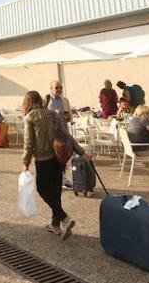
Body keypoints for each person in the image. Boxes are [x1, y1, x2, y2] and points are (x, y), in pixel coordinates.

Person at [21, 90, 90, 240]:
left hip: (43, 159)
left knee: (42, 189)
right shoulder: (54, 114)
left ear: (27, 102)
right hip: (58, 159)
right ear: (40, 100)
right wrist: (81, 152)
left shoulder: (29, 117)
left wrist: (25, 163)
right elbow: (67, 136)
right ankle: (55, 225)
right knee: (55, 191)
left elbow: (29, 143)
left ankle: (65, 218)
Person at [44, 80, 73, 189]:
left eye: (60, 88)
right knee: (52, 156)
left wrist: (68, 116)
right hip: (51, 133)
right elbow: (42, 115)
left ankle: (63, 178)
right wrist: (56, 113)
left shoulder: (65, 100)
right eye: (56, 88)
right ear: (51, 88)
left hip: (63, 132)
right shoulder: (46, 100)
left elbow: (70, 115)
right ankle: (53, 179)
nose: (59, 90)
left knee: (64, 156)